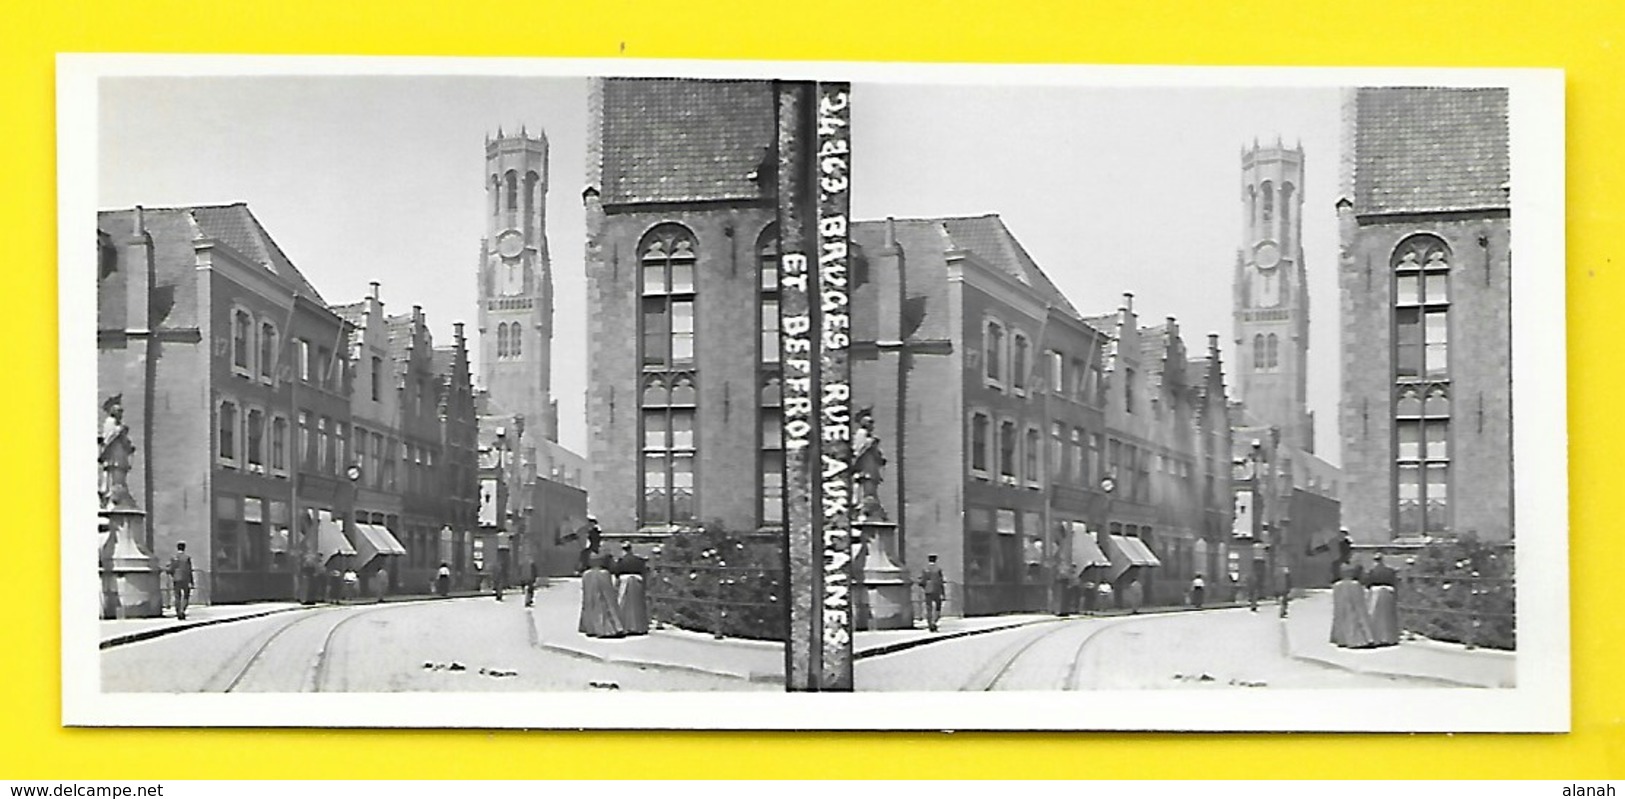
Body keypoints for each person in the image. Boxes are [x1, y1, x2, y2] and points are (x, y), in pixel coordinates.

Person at [578, 553, 625, 639]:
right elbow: (608, 591)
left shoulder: (586, 574)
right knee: (605, 607)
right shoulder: (604, 573)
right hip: (602, 596)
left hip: (591, 597)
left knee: (591, 606)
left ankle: (591, 628)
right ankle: (607, 629)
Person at [1329, 563, 1376, 649]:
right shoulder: (1355, 584)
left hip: (1341, 607)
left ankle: (1342, 639)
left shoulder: (1337, 585)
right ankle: (1358, 640)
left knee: (1341, 618)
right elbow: (1359, 603)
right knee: (1356, 619)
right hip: (1353, 607)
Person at [613, 541, 650, 635]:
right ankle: (639, 627)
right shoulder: (639, 560)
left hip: (625, 581)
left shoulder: (621, 560)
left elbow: (617, 572)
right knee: (638, 603)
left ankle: (625, 626)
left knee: (623, 604)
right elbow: (644, 571)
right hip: (637, 582)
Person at [1363, 553, 1401, 646]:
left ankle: (1377, 637)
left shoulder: (1372, 571)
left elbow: (1368, 583)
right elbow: (1394, 582)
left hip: (1376, 592)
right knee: (1388, 615)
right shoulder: (1390, 570)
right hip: (1388, 592)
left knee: (1374, 615)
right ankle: (1390, 638)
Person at [165, 541, 194, 620]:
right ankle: (182, 610)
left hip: (176, 579)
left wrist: (171, 573)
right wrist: (192, 581)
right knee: (186, 596)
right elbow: (189, 570)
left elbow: (170, 569)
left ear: (177, 548)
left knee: (177, 596)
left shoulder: (174, 558)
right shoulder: (187, 558)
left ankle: (178, 611)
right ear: (184, 548)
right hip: (185, 579)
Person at [918, 554, 946, 631]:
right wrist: (943, 593)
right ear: (935, 560)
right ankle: (934, 621)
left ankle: (930, 623)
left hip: (928, 590)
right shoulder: (938, 569)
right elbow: (941, 581)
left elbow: (922, 581)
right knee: (938, 607)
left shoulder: (925, 569)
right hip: (937, 590)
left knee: (929, 607)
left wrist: (922, 585)